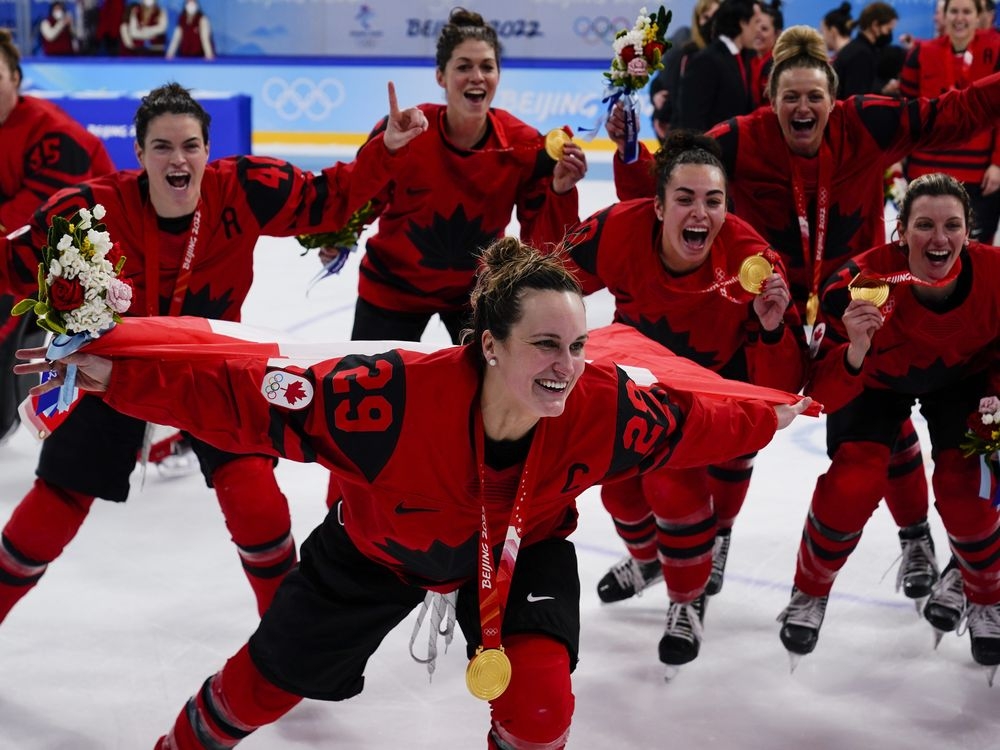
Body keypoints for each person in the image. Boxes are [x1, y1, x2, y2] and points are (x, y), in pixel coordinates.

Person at [17, 236, 811, 749]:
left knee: (539, 710)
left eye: (575, 345)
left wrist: (770, 415)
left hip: (519, 556)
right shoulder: (386, 399)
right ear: (489, 345)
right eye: (544, 346)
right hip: (373, 557)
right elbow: (240, 398)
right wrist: (118, 377)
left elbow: (697, 419)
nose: (566, 366)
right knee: (258, 691)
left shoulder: (602, 407)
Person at [0, 81, 428, 624]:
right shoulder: (88, 212)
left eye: (190, 146)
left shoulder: (245, 189)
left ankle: (286, 641)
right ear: (139, 154)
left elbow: (331, 197)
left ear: (208, 150)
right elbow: (12, 264)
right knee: (54, 502)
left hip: (213, 370)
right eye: (162, 147)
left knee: (256, 500)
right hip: (111, 375)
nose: (177, 159)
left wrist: (386, 148)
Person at [609, 25, 1000, 603]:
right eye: (789, 96)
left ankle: (915, 537)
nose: (803, 107)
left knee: (880, 423)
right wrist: (625, 149)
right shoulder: (740, 139)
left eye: (814, 96)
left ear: (833, 100)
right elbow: (664, 185)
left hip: (855, 303)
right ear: (770, 102)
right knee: (739, 425)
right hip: (768, 311)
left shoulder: (865, 121)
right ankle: (712, 539)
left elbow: (956, 110)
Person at [560, 131, 807, 669]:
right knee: (618, 493)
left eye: (713, 201)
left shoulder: (755, 263)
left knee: (673, 485)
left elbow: (786, 383)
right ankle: (651, 561)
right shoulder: (616, 229)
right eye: (685, 199)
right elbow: (547, 285)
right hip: (640, 377)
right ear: (657, 205)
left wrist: (770, 330)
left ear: (726, 208)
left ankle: (686, 598)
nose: (700, 212)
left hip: (714, 390)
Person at [777, 172, 1000, 680]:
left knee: (966, 488)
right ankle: (809, 593)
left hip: (962, 378)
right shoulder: (854, 287)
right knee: (853, 481)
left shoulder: (996, 277)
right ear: (900, 232)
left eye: (951, 226)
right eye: (924, 225)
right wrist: (854, 349)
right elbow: (823, 396)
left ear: (970, 232)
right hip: (873, 382)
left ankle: (987, 597)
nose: (938, 239)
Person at [336, 8, 586, 348]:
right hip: (393, 288)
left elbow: (543, 244)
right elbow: (364, 194)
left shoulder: (523, 145)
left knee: (490, 396)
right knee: (369, 392)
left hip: (477, 293)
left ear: (499, 74)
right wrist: (336, 235)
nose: (477, 76)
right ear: (441, 76)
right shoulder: (408, 130)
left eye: (487, 66)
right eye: (463, 66)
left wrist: (559, 189)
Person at [0, 28, 115, 444]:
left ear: (15, 77)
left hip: (89, 247)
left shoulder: (52, 133)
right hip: (35, 248)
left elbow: (39, 212)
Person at [900, 0, 1000, 244]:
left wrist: (997, 163)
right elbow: (904, 112)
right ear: (942, 16)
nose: (959, 18)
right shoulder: (921, 52)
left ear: (980, 17)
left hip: (978, 174)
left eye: (967, 11)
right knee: (923, 243)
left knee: (974, 250)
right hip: (926, 168)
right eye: (953, 11)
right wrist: (897, 160)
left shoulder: (996, 50)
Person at [676, 0, 759, 133]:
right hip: (712, 151)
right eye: (756, 23)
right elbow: (692, 121)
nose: (758, 30)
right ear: (743, 23)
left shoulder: (739, 56)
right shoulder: (706, 60)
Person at [648, 0, 720, 141]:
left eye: (716, 17)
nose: (712, 23)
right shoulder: (686, 52)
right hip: (688, 139)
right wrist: (660, 112)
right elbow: (662, 82)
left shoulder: (732, 54)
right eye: (706, 17)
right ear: (697, 20)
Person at [833, 1, 899, 98]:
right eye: (889, 30)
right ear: (875, 25)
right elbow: (856, 101)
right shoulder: (861, 54)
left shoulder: (862, 49)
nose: (889, 34)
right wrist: (882, 92)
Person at [749, 0, 783, 106]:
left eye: (764, 29)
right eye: (754, 27)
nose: (757, 33)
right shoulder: (750, 60)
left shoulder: (776, 66)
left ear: (777, 34)